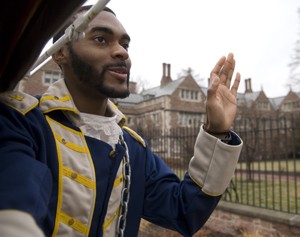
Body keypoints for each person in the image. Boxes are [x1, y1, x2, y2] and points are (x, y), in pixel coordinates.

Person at [0, 5, 243, 237]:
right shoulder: (21, 122)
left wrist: (217, 131)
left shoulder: (134, 148)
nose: (122, 52)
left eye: (125, 44)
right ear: (61, 52)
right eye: (100, 39)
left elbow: (184, 210)